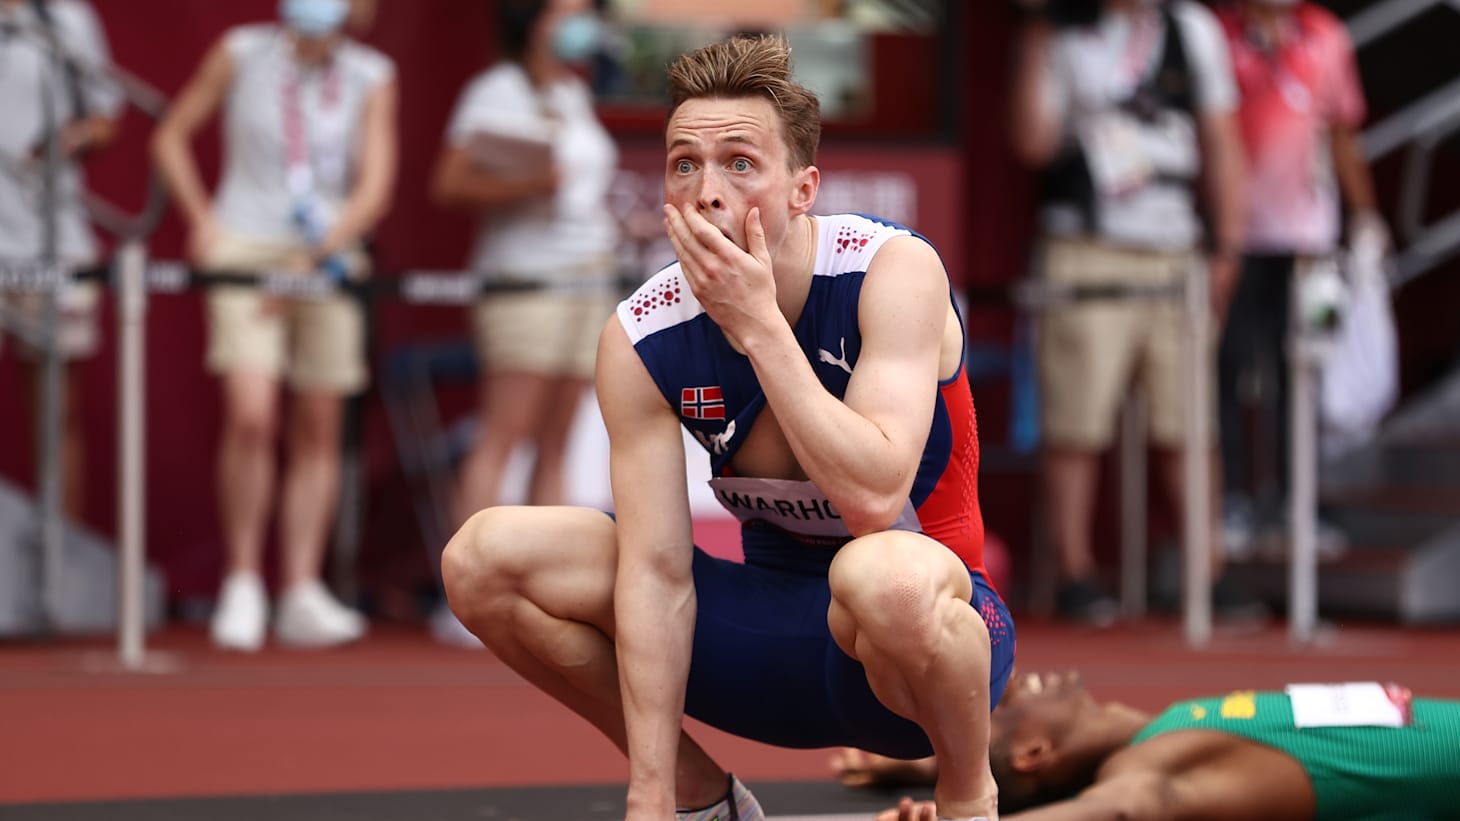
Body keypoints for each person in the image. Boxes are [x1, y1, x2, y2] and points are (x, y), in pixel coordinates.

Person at [443, 34, 1015, 821]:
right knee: (483, 557)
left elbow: (875, 498)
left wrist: (761, 328)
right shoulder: (641, 336)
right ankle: (695, 795)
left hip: (915, 659)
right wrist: (647, 795)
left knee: (881, 574)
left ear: (803, 189)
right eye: (684, 165)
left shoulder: (892, 270)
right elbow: (656, 574)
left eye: (740, 163)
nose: (707, 191)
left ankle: (969, 796)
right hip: (763, 643)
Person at [152, 0, 397, 651]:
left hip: (329, 254)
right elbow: (170, 136)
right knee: (252, 414)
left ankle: (300, 587)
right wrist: (201, 218)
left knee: (319, 421)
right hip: (246, 250)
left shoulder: (372, 73)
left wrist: (313, 260)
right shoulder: (240, 50)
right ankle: (241, 580)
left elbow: (374, 186)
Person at [1009, 0, 1250, 625]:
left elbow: (1221, 138)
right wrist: (1035, 34)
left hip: (1175, 247)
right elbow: (1032, 142)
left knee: (1189, 420)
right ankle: (1075, 570)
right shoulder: (1063, 29)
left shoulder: (1189, 27)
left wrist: (1227, 246)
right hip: (1085, 244)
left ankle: (1208, 570)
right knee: (1076, 419)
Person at [432, 0, 620, 522]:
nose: (582, 24)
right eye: (568, 13)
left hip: (588, 277)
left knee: (558, 443)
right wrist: (533, 183)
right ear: (533, 22)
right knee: (504, 436)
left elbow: (580, 189)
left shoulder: (572, 90)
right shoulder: (497, 90)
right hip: (526, 281)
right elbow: (450, 182)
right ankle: (465, 569)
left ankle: (545, 568)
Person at [1214, 0, 1384, 557]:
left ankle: (1299, 501)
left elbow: (1343, 134)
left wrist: (1365, 216)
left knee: (1308, 374)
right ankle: (1233, 501)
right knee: (1229, 366)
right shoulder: (1221, 35)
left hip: (1314, 247)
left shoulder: (1326, 35)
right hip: (1237, 243)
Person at [871, 670, 1460, 820]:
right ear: (1034, 753)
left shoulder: (1165, 727)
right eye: (1003, 711)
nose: (1014, 684)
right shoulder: (1150, 762)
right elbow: (1127, 807)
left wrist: (940, 763)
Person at [0, 0, 123, 522]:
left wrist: (68, 139)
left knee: (57, 412)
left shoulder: (65, 19)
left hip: (52, 240)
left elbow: (106, 117)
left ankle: (62, 553)